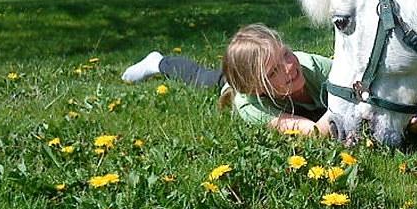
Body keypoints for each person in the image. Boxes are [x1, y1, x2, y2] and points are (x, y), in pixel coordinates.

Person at [122, 24, 332, 136]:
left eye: (286, 54)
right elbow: (313, 132)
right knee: (201, 78)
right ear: (258, 89)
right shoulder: (251, 105)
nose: (289, 67)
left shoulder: (313, 66)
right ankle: (158, 62)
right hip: (233, 85)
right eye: (273, 71)